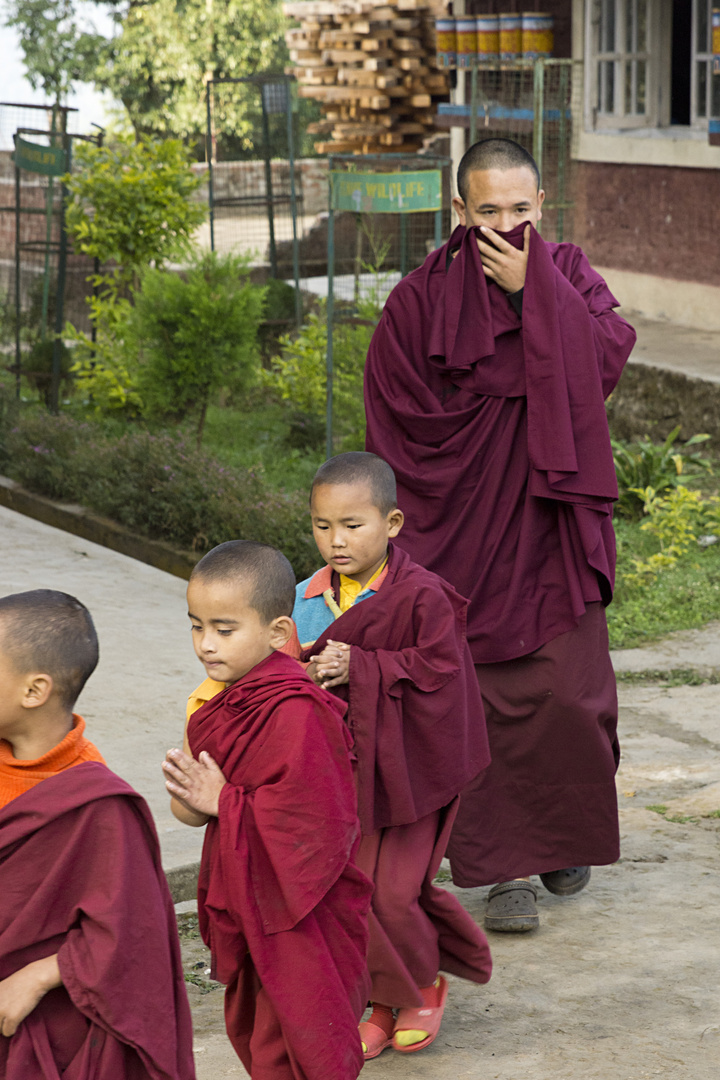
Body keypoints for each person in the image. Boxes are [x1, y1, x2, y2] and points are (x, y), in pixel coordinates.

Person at [364, 137, 637, 933]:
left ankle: (565, 840)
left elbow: (609, 359)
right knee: (472, 701)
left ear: (543, 205)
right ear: (459, 211)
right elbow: (397, 415)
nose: (508, 226)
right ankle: (505, 870)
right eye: (489, 212)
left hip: (550, 517)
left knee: (568, 693)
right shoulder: (418, 300)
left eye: (521, 210)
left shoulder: (568, 273)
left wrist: (535, 297)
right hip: (460, 527)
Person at [291, 451, 492, 1060]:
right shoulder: (304, 596)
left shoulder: (423, 597)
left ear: (393, 524)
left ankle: (424, 982)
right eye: (323, 526)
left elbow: (443, 674)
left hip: (411, 770)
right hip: (346, 770)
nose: (337, 540)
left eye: (353, 525)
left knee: (394, 893)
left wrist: (362, 664)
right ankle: (381, 1001)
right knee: (353, 890)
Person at [162, 540, 372, 1080]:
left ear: (278, 632)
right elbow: (193, 813)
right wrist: (195, 796)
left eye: (224, 629)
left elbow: (319, 824)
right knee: (261, 1039)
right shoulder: (213, 701)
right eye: (196, 626)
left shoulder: (297, 710)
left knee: (304, 1042)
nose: (206, 645)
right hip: (249, 893)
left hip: (301, 912)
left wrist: (222, 800)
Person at [0, 589, 195, 1079]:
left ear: (33, 690)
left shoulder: (96, 805)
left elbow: (132, 934)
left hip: (39, 1024)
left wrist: (38, 976)